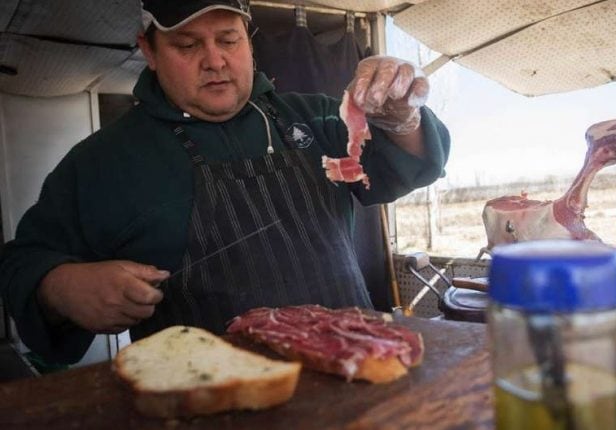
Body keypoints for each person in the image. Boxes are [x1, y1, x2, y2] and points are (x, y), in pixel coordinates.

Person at [0, 0, 450, 364]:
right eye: (187, 44)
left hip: (351, 371)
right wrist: (63, 286)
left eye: (228, 39)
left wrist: (400, 117)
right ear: (149, 51)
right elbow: (23, 264)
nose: (214, 61)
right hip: (207, 401)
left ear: (249, 43)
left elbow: (403, 167)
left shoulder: (311, 118)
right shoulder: (101, 163)